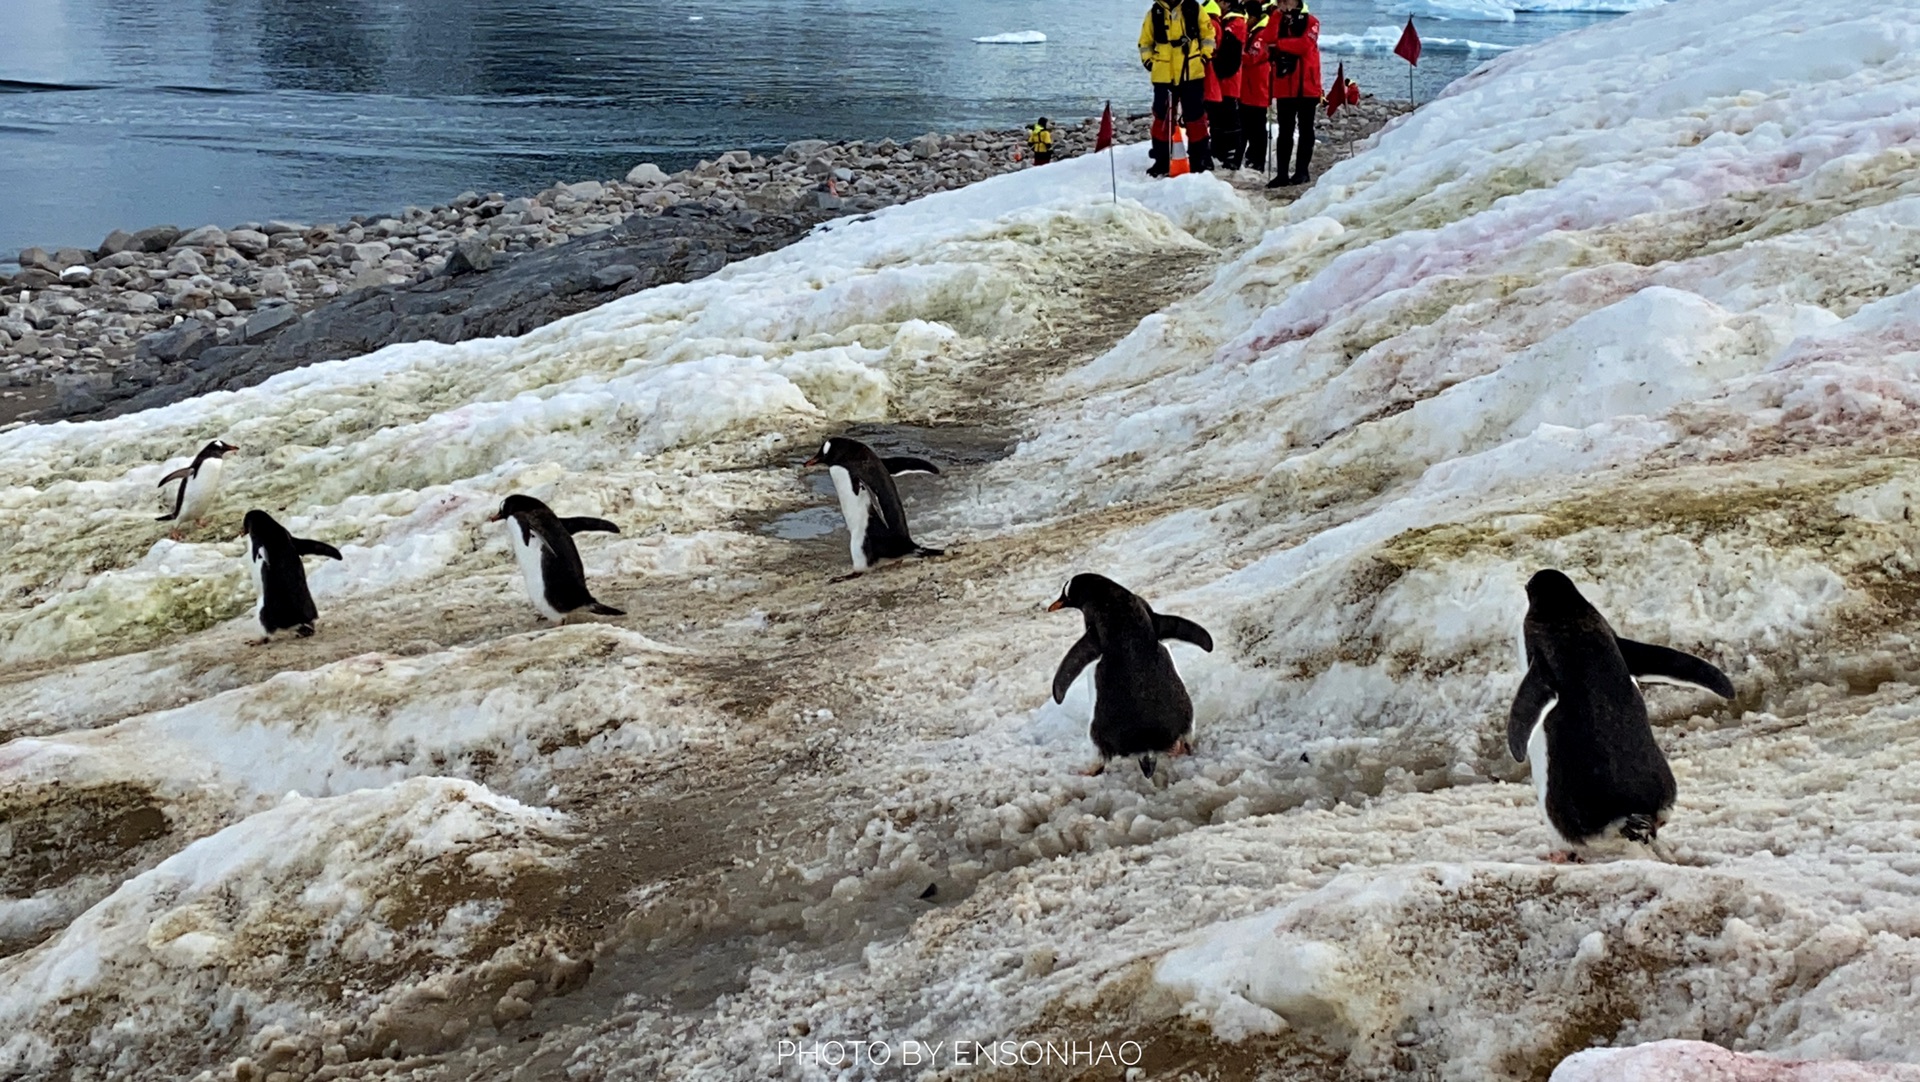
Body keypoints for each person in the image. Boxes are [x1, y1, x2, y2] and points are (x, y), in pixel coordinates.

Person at [1139, 0, 1215, 176]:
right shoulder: (1154, 13)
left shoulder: (1195, 9)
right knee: (1162, 119)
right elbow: (1145, 42)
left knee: (1196, 119)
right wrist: (1150, 63)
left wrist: (1203, 57)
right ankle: (1161, 162)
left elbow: (1208, 35)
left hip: (1191, 72)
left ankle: (1199, 161)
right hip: (1164, 74)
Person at [1263, 0, 1322, 188]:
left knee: (1306, 130)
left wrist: (1279, 45)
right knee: (1285, 131)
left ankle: (1302, 172)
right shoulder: (1277, 20)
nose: (1285, 3)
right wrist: (1277, 15)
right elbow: (1267, 39)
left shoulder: (1312, 21)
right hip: (1285, 86)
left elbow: (1304, 45)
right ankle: (1281, 174)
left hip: (1307, 86)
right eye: (1281, 0)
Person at [1208, 0, 1248, 170]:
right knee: (1219, 116)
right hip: (1224, 79)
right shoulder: (1227, 21)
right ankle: (1219, 149)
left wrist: (1219, 70)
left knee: (1229, 117)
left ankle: (1231, 153)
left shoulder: (1235, 23)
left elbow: (1232, 54)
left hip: (1229, 80)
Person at [1237, 0, 1274, 177]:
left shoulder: (1262, 34)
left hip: (1258, 86)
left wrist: (1235, 54)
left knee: (1257, 126)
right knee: (1247, 124)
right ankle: (1250, 156)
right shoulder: (1254, 32)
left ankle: (1257, 160)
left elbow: (1253, 57)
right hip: (1250, 86)